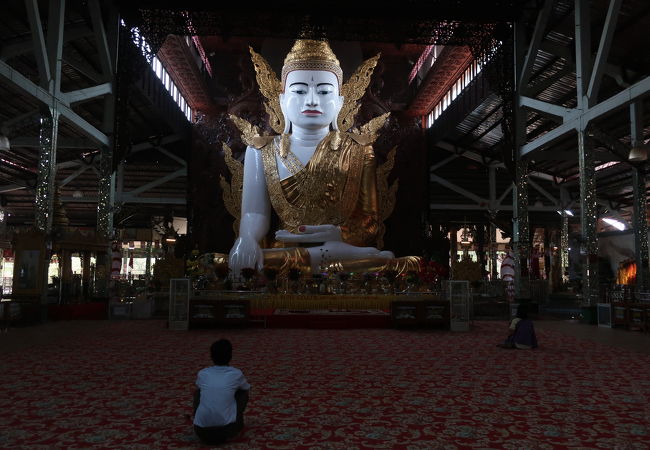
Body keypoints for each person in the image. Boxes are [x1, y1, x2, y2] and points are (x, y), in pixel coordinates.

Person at [227, 39, 419, 278]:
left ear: (340, 102)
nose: (311, 100)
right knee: (235, 262)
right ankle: (320, 264)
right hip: (285, 251)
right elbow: (253, 214)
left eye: (324, 91)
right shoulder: (260, 150)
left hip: (340, 248)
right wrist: (246, 239)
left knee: (409, 264)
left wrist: (339, 235)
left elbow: (369, 221)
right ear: (282, 100)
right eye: (299, 90)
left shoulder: (360, 150)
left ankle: (323, 262)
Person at [193, 339, 250, 445]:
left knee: (198, 392)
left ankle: (201, 418)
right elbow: (246, 388)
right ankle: (238, 423)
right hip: (227, 431)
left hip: (200, 431)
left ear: (211, 356)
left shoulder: (203, 373)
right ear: (231, 356)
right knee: (242, 393)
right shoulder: (236, 373)